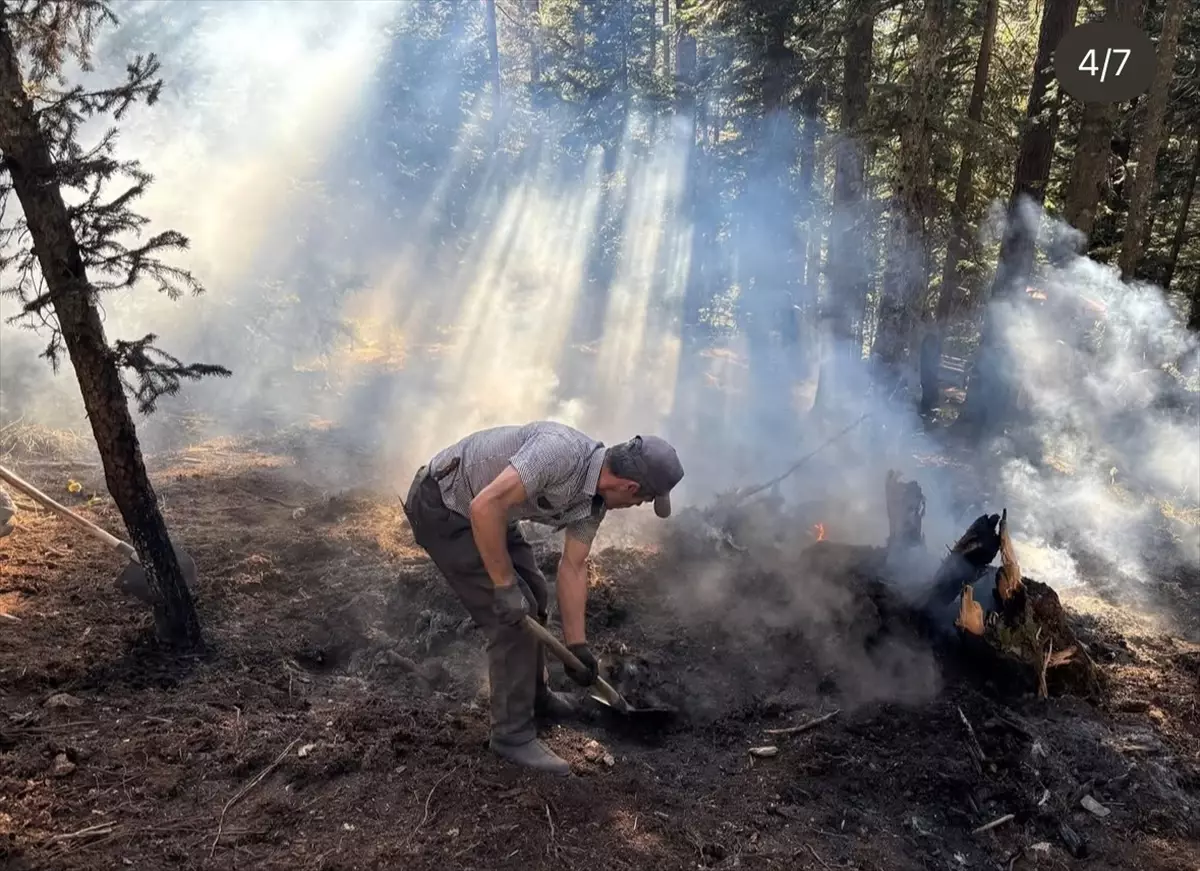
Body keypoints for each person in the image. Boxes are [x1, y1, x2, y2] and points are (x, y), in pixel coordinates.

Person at [402, 421, 684, 775]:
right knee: (513, 618)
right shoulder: (559, 453)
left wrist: (577, 646)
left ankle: (534, 695)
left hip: (491, 512)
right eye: (643, 499)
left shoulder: (593, 504)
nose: (638, 505)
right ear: (630, 487)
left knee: (533, 593)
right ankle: (511, 735)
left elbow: (574, 566)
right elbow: (483, 508)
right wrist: (503, 586)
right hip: (445, 507)